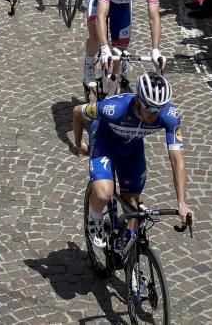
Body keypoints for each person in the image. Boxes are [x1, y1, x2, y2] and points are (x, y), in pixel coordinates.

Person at [72, 72, 193, 249]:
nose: (154, 115)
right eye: (150, 109)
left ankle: (128, 245)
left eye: (159, 109)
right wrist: (79, 143)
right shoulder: (113, 108)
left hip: (131, 148)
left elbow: (177, 160)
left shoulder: (170, 115)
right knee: (104, 193)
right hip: (105, 141)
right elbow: (77, 112)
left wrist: (182, 203)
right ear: (138, 101)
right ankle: (94, 215)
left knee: (133, 203)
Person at [84, 0, 164, 89]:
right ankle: (89, 64)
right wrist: (104, 48)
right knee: (96, 38)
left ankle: (114, 80)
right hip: (99, 0)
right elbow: (101, 16)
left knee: (119, 49)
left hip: (122, 4)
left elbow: (154, 18)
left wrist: (155, 49)